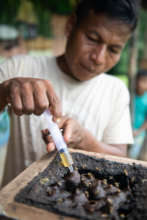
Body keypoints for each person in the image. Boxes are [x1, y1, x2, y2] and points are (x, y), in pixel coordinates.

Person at [0, 0, 139, 187]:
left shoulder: (115, 91)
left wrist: (84, 140)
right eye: (92, 38)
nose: (98, 58)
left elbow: (120, 158)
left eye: (113, 49)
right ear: (70, 26)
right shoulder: (18, 68)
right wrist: (4, 92)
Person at [129, 70, 147, 159]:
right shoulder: (130, 96)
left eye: (144, 81)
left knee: (132, 156)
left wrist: (138, 131)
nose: (140, 84)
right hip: (126, 130)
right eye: (139, 80)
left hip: (139, 134)